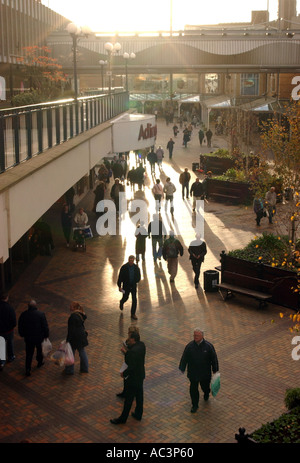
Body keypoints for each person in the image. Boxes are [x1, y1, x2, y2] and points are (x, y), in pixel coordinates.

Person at [179, 328, 219, 413]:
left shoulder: (208, 346)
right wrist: (182, 367)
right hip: (193, 373)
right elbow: (184, 358)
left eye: (197, 335)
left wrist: (215, 370)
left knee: (205, 386)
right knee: (193, 389)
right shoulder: (189, 346)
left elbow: (214, 359)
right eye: (194, 335)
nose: (195, 337)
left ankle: (206, 393)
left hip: (205, 374)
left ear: (202, 336)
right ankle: (195, 405)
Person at [110, 330, 146, 424]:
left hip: (133, 378)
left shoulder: (132, 352)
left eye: (129, 338)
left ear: (133, 339)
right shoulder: (142, 345)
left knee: (128, 400)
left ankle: (123, 418)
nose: (128, 340)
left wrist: (124, 373)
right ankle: (138, 414)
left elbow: (131, 365)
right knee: (139, 396)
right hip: (140, 376)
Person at [18, 299, 49, 377]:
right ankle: (39, 362)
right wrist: (46, 335)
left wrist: (22, 334)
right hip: (39, 337)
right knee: (39, 350)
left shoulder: (23, 314)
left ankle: (28, 368)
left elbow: (20, 326)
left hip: (28, 338)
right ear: (36, 306)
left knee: (29, 353)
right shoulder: (41, 314)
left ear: (28, 306)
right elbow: (45, 326)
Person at [64, 301, 89, 375]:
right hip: (81, 336)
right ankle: (84, 368)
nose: (69, 307)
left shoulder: (73, 317)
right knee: (82, 352)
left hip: (74, 338)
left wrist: (68, 340)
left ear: (74, 308)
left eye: (71, 306)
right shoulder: (81, 314)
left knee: (70, 354)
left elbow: (71, 330)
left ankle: (69, 370)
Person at [116, 325, 140, 398]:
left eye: (129, 333)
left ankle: (132, 394)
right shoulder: (128, 340)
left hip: (132, 364)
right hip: (127, 362)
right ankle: (125, 392)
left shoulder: (136, 343)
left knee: (131, 379)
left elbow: (133, 355)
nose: (128, 334)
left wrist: (126, 352)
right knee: (126, 379)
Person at [117, 256, 141, 320]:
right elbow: (120, 277)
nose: (131, 261)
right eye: (130, 260)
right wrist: (119, 286)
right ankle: (122, 302)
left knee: (134, 299)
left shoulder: (136, 268)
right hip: (125, 287)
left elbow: (138, 277)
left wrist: (135, 281)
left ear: (133, 261)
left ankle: (133, 313)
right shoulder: (124, 267)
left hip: (133, 286)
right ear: (128, 260)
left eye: (132, 260)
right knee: (125, 297)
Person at [0, 292, 17, 370]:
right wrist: (11, 327)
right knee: (10, 343)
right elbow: (14, 321)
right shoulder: (10, 308)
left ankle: (2, 361)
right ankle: (10, 357)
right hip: (9, 331)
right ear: (6, 298)